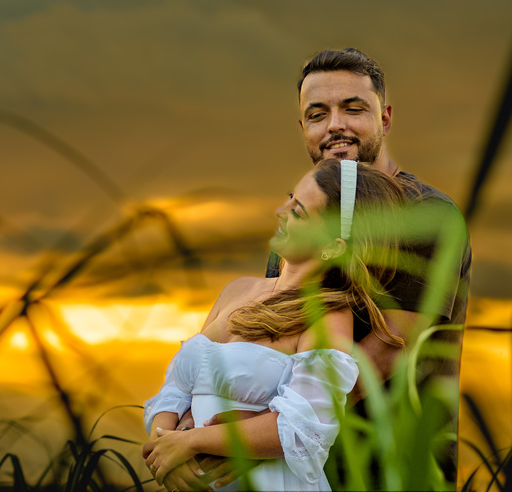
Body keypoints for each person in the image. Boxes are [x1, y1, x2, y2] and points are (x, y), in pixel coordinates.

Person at [162, 48, 471, 489]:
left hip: (393, 464)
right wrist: (198, 421)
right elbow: (261, 342)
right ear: (303, 127)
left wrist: (243, 438)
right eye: (317, 113)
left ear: (384, 118)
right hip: (295, 469)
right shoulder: (301, 224)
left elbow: (388, 351)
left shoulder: (424, 215)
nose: (334, 125)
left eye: (353, 108)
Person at [142, 159, 409, 492]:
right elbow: (176, 389)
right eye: (289, 198)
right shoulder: (235, 290)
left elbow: (304, 428)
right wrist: (166, 448)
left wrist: (194, 442)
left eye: (298, 212)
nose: (280, 212)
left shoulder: (327, 317)